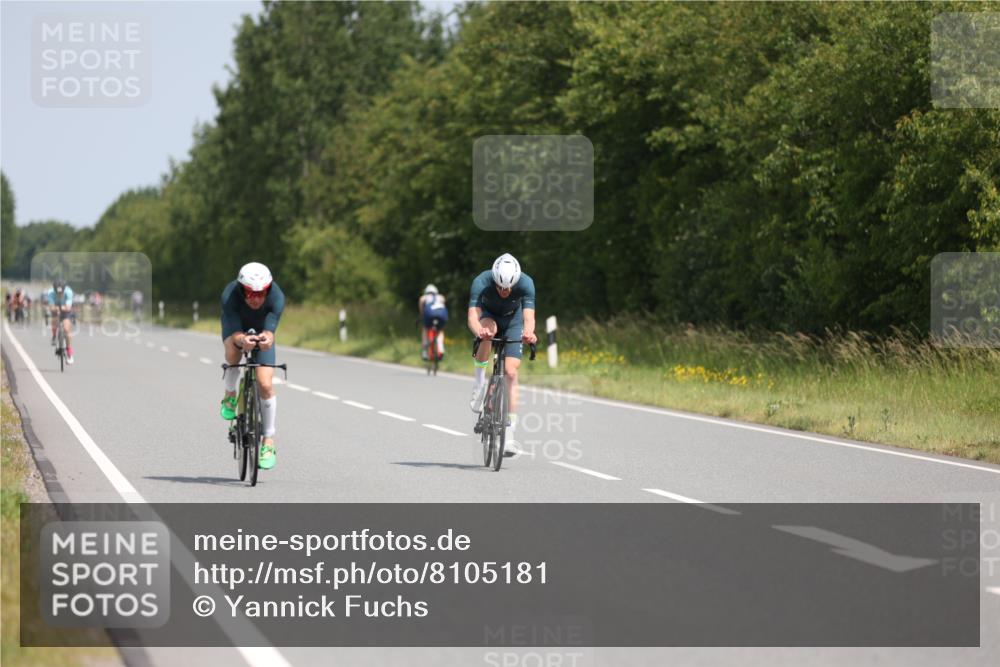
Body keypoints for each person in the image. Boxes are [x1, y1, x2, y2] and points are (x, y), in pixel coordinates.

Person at [467, 253, 537, 456]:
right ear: (494, 280)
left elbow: (529, 317)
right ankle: (479, 384)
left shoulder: (526, 283)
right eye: (500, 287)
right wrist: (478, 331)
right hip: (489, 317)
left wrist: (529, 333)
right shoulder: (481, 281)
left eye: (508, 288)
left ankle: (510, 434)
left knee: (511, 373)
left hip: (513, 321)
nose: (504, 291)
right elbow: (473, 316)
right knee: (488, 332)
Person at [219, 262, 285, 470]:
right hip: (236, 329)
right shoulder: (229, 296)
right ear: (241, 290)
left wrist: (266, 339)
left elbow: (270, 332)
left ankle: (268, 442)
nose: (256, 299)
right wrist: (241, 340)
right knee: (232, 352)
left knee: (265, 384)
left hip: (261, 331)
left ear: (269, 289)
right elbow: (236, 332)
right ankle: (230, 394)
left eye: (261, 293)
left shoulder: (277, 297)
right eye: (250, 294)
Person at [45, 280, 76, 363]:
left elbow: (68, 307)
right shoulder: (50, 293)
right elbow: (51, 307)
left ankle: (69, 353)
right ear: (54, 290)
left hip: (66, 309)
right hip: (56, 308)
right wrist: (56, 309)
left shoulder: (68, 292)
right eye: (57, 292)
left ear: (64, 289)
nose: (59, 294)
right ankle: (54, 336)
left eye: (61, 292)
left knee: (66, 330)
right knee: (54, 319)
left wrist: (61, 308)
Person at [419, 284, 448, 361]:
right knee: (440, 330)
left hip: (429, 314)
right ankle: (441, 348)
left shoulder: (424, 297)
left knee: (425, 328)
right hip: (441, 314)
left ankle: (425, 351)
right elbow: (443, 306)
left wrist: (422, 316)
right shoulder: (441, 297)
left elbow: (422, 308)